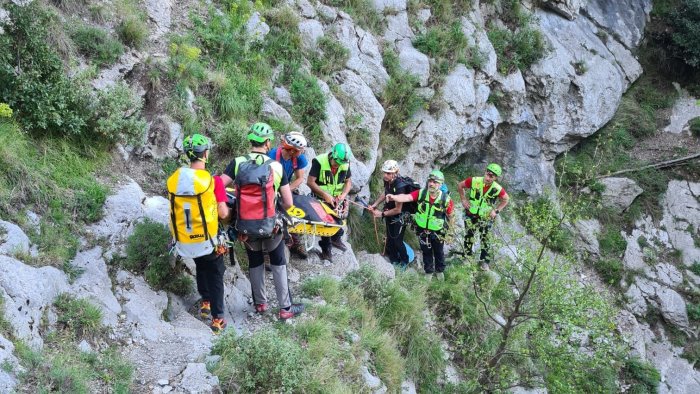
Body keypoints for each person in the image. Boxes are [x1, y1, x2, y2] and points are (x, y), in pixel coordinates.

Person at [220, 122, 304, 320]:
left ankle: (260, 304)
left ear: (251, 140)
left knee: (255, 261)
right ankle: (285, 308)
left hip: (245, 225)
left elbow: (218, 185)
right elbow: (289, 203)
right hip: (270, 225)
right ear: (268, 143)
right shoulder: (275, 167)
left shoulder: (237, 162)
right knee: (278, 261)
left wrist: (229, 209)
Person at [167, 134, 230, 334]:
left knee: (201, 266)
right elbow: (222, 213)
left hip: (184, 240)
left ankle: (205, 302)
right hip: (208, 240)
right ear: (205, 154)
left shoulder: (175, 180)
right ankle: (218, 318)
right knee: (216, 274)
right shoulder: (213, 181)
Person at [386, 170, 454, 280]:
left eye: (435, 182)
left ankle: (440, 270)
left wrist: (450, 231)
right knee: (426, 251)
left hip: (438, 230)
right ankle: (429, 271)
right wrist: (394, 197)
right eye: (430, 181)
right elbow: (407, 197)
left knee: (439, 251)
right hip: (423, 230)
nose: (431, 184)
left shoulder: (446, 199)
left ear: (440, 184)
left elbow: (451, 216)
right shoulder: (422, 193)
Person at [456, 163, 510, 271]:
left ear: (495, 178)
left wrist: (496, 211)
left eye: (492, 176)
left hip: (485, 217)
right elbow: (460, 186)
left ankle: (485, 262)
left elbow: (506, 199)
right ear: (485, 172)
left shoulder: (497, 189)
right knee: (468, 236)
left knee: (485, 239)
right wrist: (463, 199)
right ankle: (467, 257)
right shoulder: (474, 180)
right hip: (471, 213)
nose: (488, 178)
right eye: (487, 174)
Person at [307, 143, 352, 262]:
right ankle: (326, 251)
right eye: (336, 163)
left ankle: (336, 238)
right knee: (327, 222)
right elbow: (310, 182)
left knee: (341, 216)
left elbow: (348, 182)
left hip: (337, 198)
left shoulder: (345, 163)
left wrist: (342, 195)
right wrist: (325, 195)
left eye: (340, 164)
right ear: (332, 155)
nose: (338, 166)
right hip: (319, 198)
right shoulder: (319, 161)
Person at [268, 131, 309, 259]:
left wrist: (287, 190)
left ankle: (296, 241)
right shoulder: (272, 155)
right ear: (292, 150)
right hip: (270, 186)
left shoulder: (299, 159)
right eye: (300, 150)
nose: (302, 152)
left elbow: (299, 178)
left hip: (285, 187)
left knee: (294, 210)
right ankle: (268, 249)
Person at [369, 160, 410, 266]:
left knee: (397, 240)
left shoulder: (400, 186)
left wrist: (381, 214)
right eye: (384, 172)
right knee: (390, 238)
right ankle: (393, 260)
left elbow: (398, 209)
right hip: (390, 213)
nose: (385, 175)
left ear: (395, 173)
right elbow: (386, 192)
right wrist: (376, 204)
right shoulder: (388, 180)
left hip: (401, 216)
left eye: (388, 173)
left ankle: (405, 260)